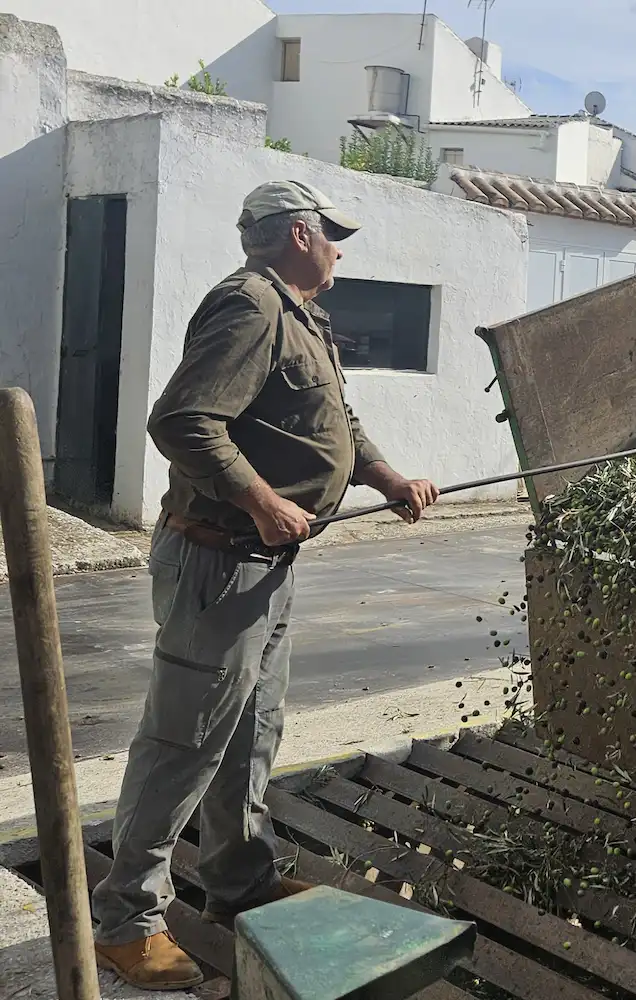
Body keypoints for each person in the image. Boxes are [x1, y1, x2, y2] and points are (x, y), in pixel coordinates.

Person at [91, 180, 440, 989]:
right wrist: (261, 499)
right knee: (184, 741)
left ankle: (239, 885)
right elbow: (182, 420)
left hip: (265, 564)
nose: (340, 250)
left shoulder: (300, 315)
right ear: (298, 235)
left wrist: (386, 477)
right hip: (220, 560)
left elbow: (332, 422)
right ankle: (126, 920)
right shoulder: (250, 306)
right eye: (331, 235)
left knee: (251, 733)